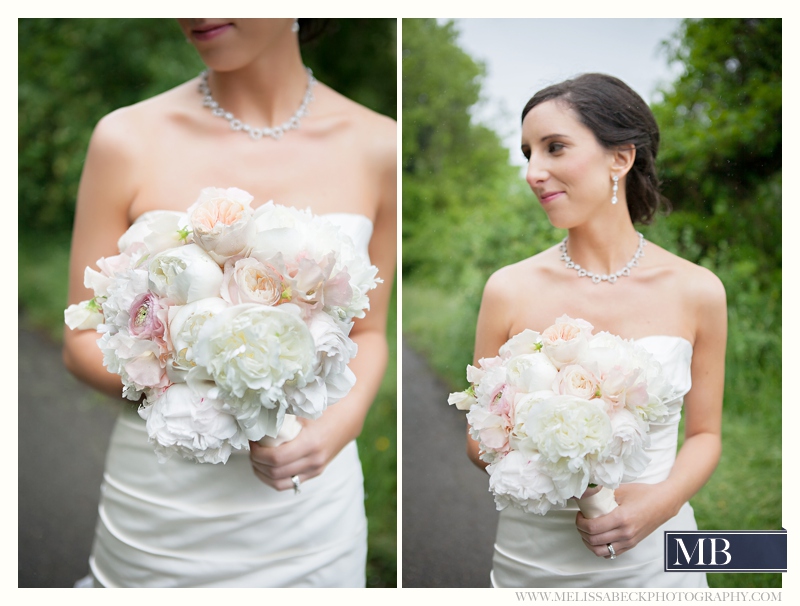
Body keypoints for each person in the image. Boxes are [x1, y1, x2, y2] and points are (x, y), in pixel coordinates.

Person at [62, 18, 396, 588]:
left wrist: (338, 427)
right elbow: (80, 336)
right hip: (163, 509)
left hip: (309, 507)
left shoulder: (379, 146)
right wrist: (210, 385)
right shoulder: (126, 137)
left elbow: (368, 333)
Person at [467, 73, 725, 588]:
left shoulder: (698, 291)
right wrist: (553, 453)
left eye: (554, 148)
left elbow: (705, 435)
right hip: (533, 563)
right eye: (527, 154)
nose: (533, 172)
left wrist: (661, 503)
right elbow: (478, 436)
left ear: (621, 158)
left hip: (658, 563)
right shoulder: (508, 289)